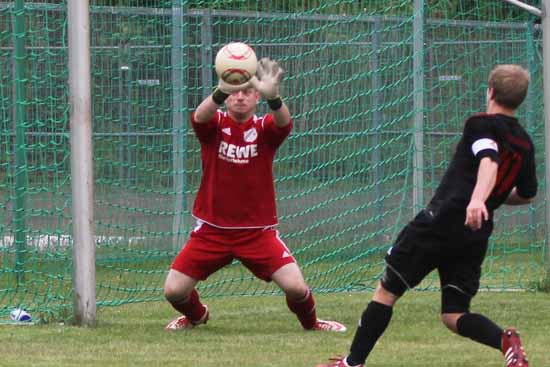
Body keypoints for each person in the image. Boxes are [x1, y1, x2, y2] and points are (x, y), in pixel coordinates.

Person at [316, 64, 536, 367]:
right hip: (475, 233)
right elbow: (526, 194)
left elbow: (489, 160)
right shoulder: (525, 142)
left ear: (491, 92)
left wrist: (476, 199)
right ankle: (504, 341)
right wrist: (490, 200)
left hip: (441, 222)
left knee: (387, 290)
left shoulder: (481, 124)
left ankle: (352, 363)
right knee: (454, 314)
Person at [164, 57, 346, 333]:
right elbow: (199, 116)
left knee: (296, 287)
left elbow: (284, 123)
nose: (239, 96)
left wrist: (275, 98)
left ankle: (312, 325)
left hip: (257, 233)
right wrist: (220, 89)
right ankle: (197, 316)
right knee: (174, 292)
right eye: (234, 91)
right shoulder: (215, 126)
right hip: (212, 231)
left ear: (257, 96)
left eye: (246, 91)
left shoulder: (263, 130)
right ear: (226, 96)